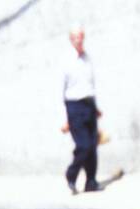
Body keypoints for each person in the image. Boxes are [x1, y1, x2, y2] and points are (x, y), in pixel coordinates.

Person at [61, 26, 100, 194]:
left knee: (92, 145)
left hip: (89, 105)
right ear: (71, 39)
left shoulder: (87, 58)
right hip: (74, 106)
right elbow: (59, 89)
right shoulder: (66, 60)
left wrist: (95, 107)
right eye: (76, 37)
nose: (79, 40)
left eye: (81, 37)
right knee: (83, 145)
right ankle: (71, 175)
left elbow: (90, 84)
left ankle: (91, 181)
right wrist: (63, 118)